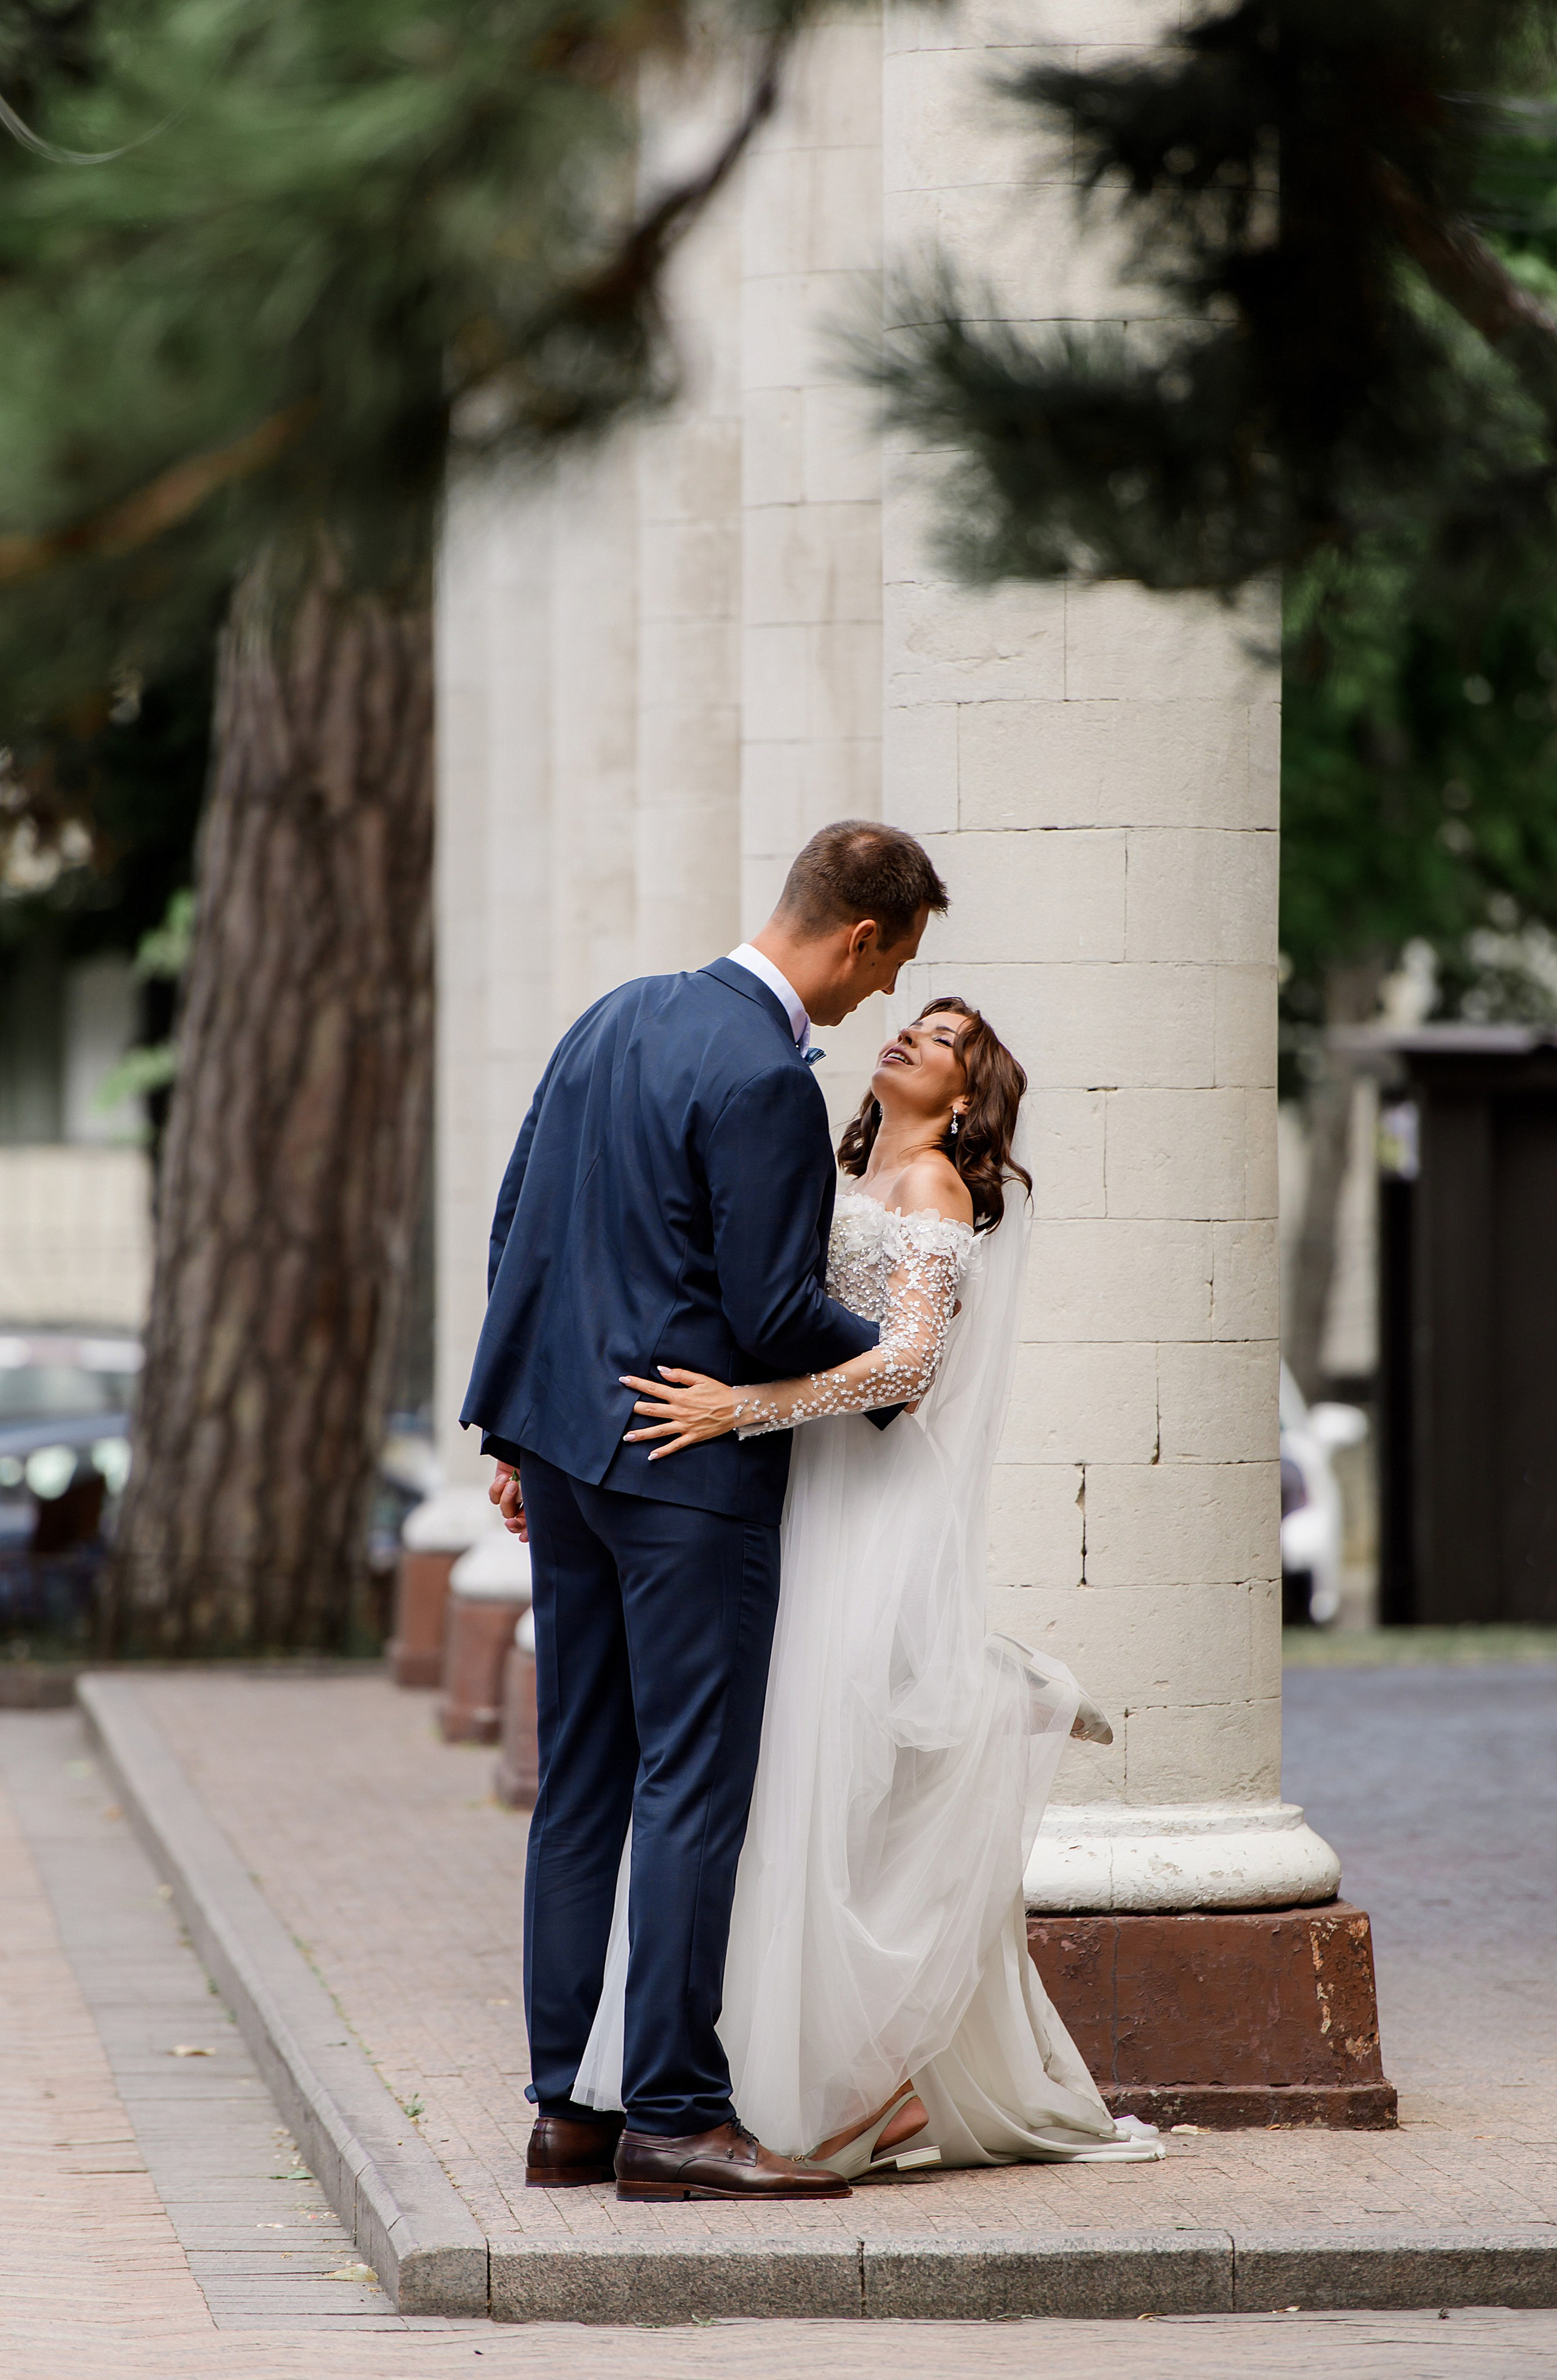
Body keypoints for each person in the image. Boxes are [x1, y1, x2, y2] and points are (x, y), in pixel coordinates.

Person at [574, 994, 1165, 2174]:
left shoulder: (936, 1192)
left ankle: (1007, 1700)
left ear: (963, 1101)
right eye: (914, 1023)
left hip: (876, 1499)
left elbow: (906, 1363)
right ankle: (852, 2078)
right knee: (795, 1771)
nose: (908, 1037)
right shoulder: (837, 1169)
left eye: (943, 1042)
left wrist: (742, 1407)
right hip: (800, 1489)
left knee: (839, 1777)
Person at [461, 819, 948, 2202]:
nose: (877, 999)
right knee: (691, 1783)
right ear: (859, 936)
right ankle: (674, 2110)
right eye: (890, 965)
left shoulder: (609, 1017)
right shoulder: (764, 1078)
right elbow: (770, 1313)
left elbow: (522, 1229)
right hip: (687, 1476)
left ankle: (567, 2109)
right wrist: (902, 1368)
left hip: (564, 1456)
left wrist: (521, 1427)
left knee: (584, 1780)